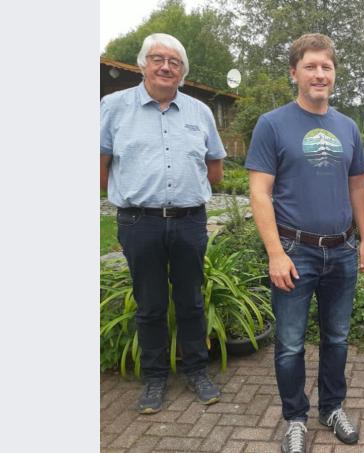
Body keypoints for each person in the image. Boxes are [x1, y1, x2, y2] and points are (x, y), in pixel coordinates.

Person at [246, 33, 364, 453]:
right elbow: (259, 192)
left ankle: (331, 408)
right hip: (294, 252)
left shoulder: (347, 127)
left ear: (335, 74)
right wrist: (275, 254)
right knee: (290, 344)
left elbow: (358, 188)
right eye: (311, 66)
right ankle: (296, 418)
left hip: (341, 250)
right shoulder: (272, 124)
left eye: (327, 67)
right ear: (294, 72)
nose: (320, 74)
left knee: (337, 339)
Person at [100, 33, 224, 414]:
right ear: (143, 64)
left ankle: (197, 372)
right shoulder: (114, 106)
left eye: (174, 61)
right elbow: (100, 166)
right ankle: (154, 379)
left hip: (189, 221)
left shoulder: (199, 112)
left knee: (190, 301)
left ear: (182, 71)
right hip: (140, 222)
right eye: (158, 58)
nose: (166, 66)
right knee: (149, 303)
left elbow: (215, 169)